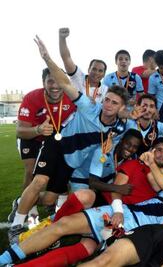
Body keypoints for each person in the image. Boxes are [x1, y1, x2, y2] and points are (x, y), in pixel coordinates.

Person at [8, 36, 135, 245]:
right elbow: (66, 82)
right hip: (56, 146)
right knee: (39, 180)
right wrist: (47, 58)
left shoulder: (120, 127)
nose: (108, 105)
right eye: (108, 100)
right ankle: (16, 227)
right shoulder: (88, 107)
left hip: (72, 164)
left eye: (115, 103)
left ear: (122, 108)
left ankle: (21, 202)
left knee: (49, 199)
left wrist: (135, 115)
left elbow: (140, 121)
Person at [0, 139, 163, 267]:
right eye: (157, 150)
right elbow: (152, 181)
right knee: (67, 220)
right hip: (114, 211)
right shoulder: (135, 165)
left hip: (128, 226)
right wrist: (117, 206)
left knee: (87, 249)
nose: (161, 155)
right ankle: (14, 252)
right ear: (150, 151)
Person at [9, 68, 77, 224]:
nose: (55, 85)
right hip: (32, 136)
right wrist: (37, 129)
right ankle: (27, 208)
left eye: (58, 80)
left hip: (53, 137)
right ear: (43, 83)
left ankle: (42, 202)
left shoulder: (71, 97)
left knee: (58, 169)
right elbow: (20, 131)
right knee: (31, 170)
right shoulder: (32, 97)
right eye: (50, 81)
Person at [59, 27, 108, 103]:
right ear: (89, 69)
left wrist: (96, 106)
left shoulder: (105, 90)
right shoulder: (78, 76)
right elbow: (66, 58)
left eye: (100, 71)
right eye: (94, 69)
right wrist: (62, 39)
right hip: (71, 113)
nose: (96, 73)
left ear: (104, 74)